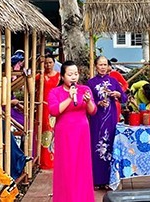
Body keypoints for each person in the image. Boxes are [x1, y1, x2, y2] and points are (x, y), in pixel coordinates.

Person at [47, 60, 96, 202]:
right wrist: (69, 98)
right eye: (70, 74)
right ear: (62, 76)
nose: (74, 77)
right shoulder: (55, 92)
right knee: (66, 166)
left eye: (76, 74)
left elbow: (93, 111)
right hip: (65, 133)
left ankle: (83, 198)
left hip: (82, 132)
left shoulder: (85, 89)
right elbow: (54, 110)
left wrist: (88, 102)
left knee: (82, 166)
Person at [87, 56, 126, 190]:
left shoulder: (114, 81)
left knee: (110, 147)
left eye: (105, 64)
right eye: (100, 64)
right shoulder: (90, 83)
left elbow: (124, 98)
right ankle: (97, 180)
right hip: (97, 120)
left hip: (111, 120)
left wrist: (118, 95)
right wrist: (97, 103)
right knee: (97, 147)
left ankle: (111, 179)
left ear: (108, 66)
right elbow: (87, 102)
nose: (103, 67)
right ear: (95, 66)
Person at [36, 54, 60, 169]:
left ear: (54, 63)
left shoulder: (60, 77)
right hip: (43, 107)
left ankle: (55, 159)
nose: (48, 65)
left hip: (55, 107)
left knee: (55, 133)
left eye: (50, 62)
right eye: (45, 63)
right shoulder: (40, 76)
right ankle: (44, 161)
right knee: (44, 133)